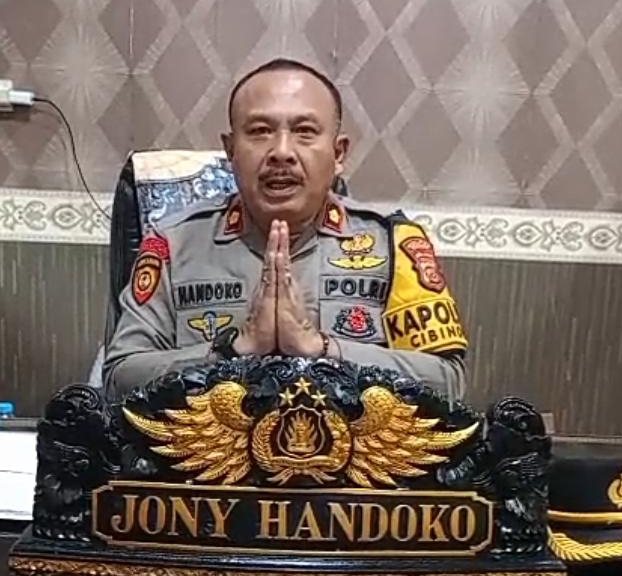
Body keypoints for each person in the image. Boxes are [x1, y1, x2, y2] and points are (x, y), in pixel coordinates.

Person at [103, 58, 468, 401]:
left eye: (304, 132)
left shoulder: (393, 245)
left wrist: (324, 350)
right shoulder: (172, 244)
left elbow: (447, 383)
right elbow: (119, 377)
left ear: (338, 154)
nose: (281, 152)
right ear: (230, 151)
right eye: (260, 132)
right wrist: (232, 351)